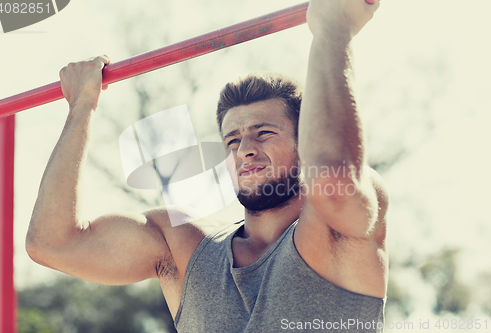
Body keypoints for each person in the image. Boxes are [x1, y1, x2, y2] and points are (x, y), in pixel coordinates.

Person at [26, 0, 388, 332]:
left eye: (263, 132)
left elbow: (333, 178)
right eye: (232, 139)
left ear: (304, 142)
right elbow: (51, 243)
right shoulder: (183, 245)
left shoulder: (338, 229)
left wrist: (333, 30)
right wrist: (82, 107)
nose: (245, 149)